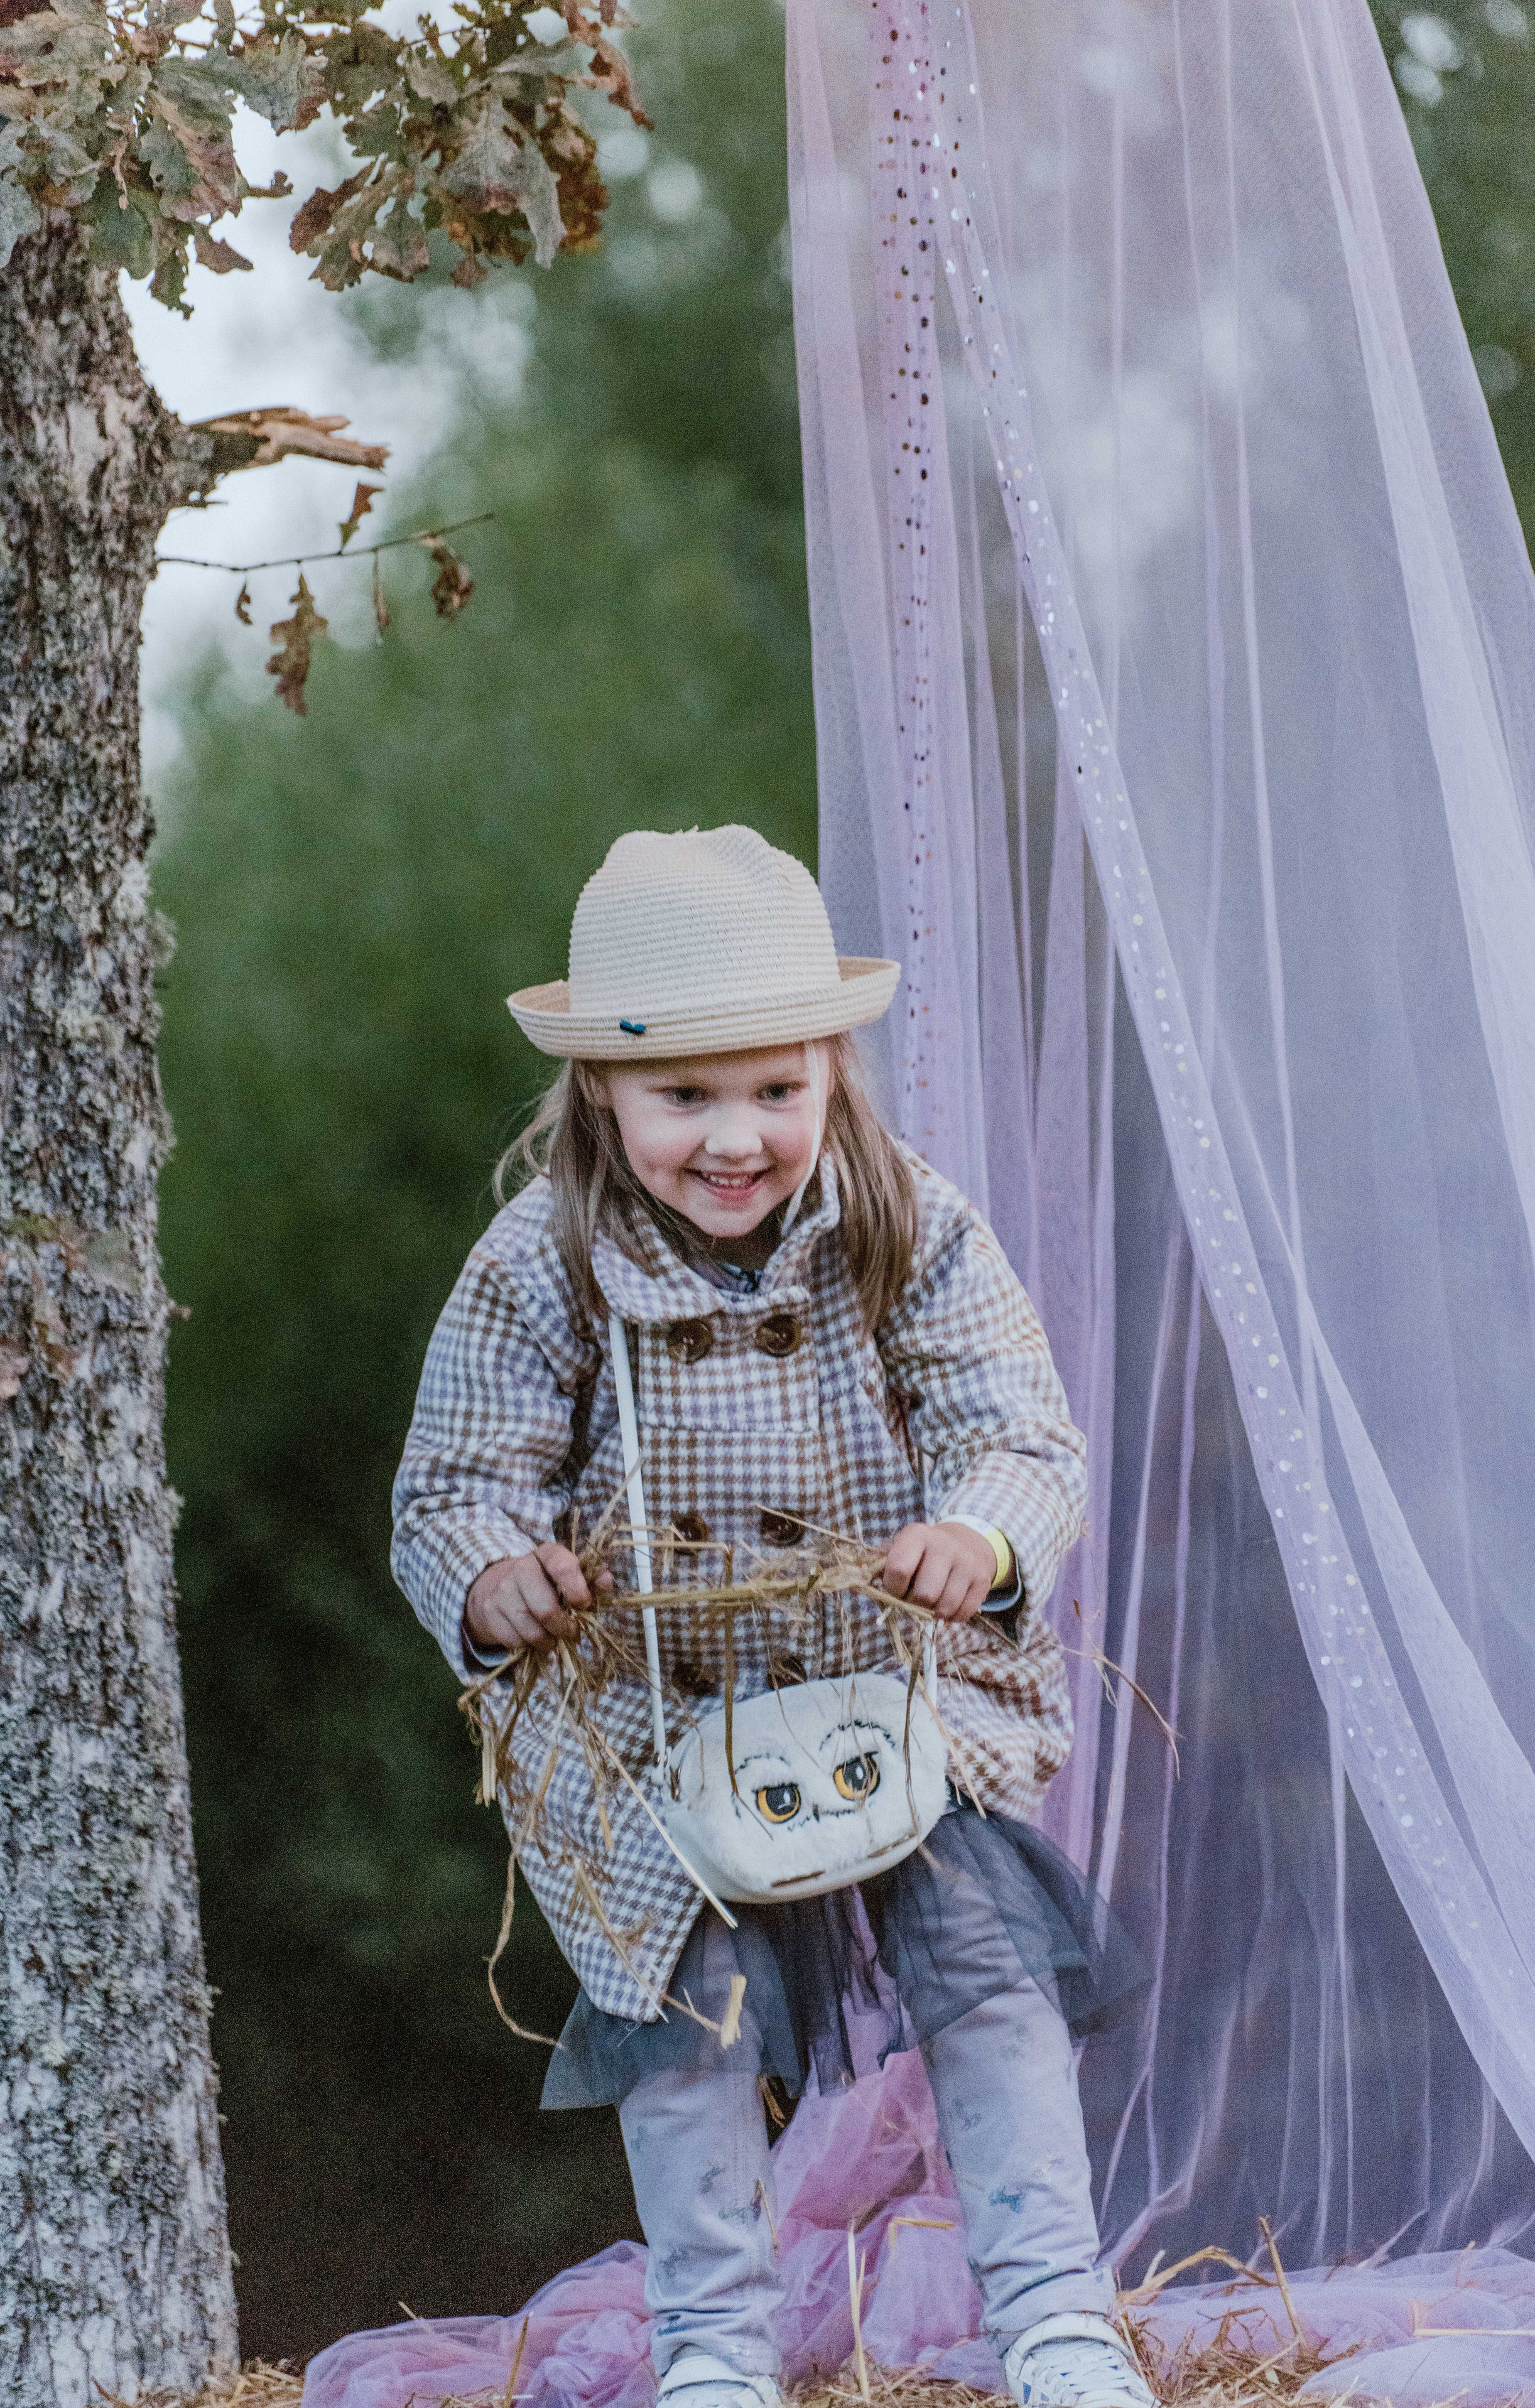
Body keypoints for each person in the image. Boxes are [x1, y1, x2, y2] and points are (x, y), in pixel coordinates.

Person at [393, 826, 1152, 2408]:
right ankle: (717, 2343)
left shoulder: (897, 1220)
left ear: (827, 1068)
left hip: (889, 1690)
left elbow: (1019, 1428)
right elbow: (454, 1476)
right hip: (661, 1723)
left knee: (986, 1977)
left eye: (775, 1090)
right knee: (691, 2026)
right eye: (685, 1097)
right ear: (603, 1088)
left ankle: (1055, 2315)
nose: (735, 1139)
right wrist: (494, 1574)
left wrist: (978, 1536)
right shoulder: (544, 1256)